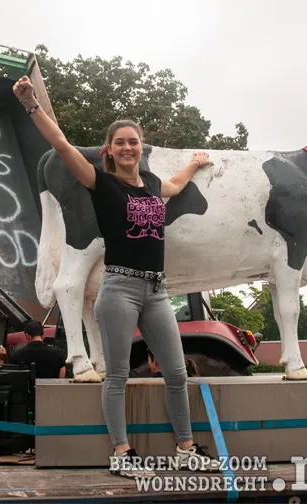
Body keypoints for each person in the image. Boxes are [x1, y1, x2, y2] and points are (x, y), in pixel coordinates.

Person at [13, 76, 219, 478]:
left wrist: (195, 161)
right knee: (119, 375)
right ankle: (122, 453)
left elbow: (175, 185)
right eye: (120, 142)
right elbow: (61, 146)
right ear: (110, 150)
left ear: (141, 148)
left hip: (157, 293)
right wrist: (31, 105)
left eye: (134, 142)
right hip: (119, 290)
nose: (128, 147)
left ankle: (186, 448)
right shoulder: (100, 184)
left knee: (176, 373)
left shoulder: (154, 185)